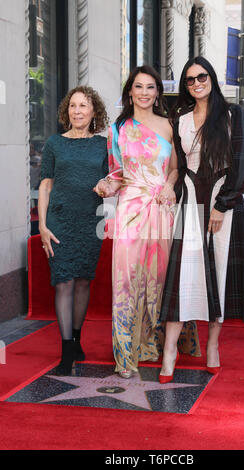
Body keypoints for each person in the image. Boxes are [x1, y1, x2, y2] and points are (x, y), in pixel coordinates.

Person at [159, 57, 244, 383]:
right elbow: (178, 166)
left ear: (212, 77)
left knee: (219, 274)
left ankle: (213, 346)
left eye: (201, 76)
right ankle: (169, 353)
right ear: (186, 86)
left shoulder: (234, 114)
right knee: (182, 278)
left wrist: (222, 206)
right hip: (191, 202)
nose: (197, 83)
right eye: (190, 80)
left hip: (225, 205)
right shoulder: (181, 118)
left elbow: (240, 162)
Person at [94, 65, 200, 379]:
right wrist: (107, 185)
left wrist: (168, 185)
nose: (144, 93)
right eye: (138, 87)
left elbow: (175, 168)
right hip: (129, 210)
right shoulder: (118, 128)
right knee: (126, 279)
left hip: (162, 210)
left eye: (150, 87)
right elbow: (116, 173)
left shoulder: (170, 125)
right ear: (130, 92)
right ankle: (126, 354)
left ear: (157, 93)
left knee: (161, 277)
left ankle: (154, 344)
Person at [38, 86, 109, 375]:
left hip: (91, 222)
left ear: (94, 112)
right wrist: (42, 225)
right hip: (59, 222)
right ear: (67, 111)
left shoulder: (103, 145)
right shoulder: (55, 143)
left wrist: (107, 186)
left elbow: (112, 181)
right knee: (63, 281)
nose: (77, 111)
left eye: (83, 106)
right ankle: (66, 349)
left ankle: (77, 338)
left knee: (82, 282)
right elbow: (45, 184)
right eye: (73, 106)